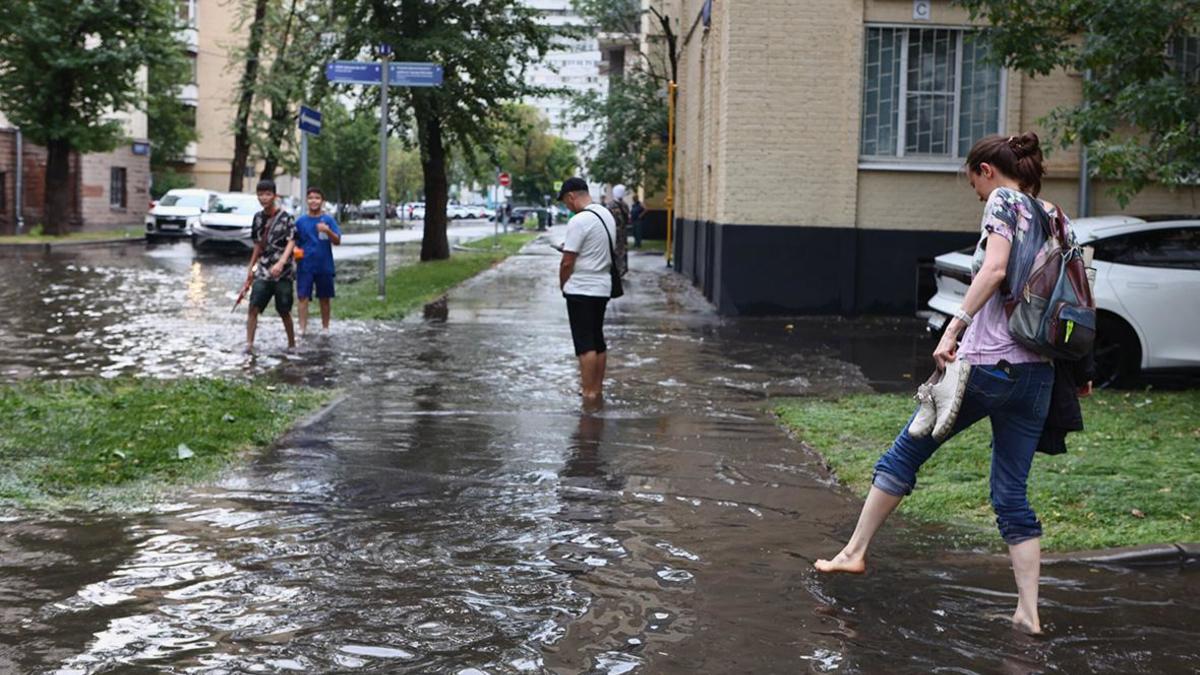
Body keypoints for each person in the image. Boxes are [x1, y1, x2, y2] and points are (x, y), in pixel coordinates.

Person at [813, 133, 1091, 636]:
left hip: (986, 367)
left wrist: (954, 326)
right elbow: (1074, 291)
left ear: (986, 170)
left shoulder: (1005, 201)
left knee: (903, 454)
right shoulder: (1056, 214)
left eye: (975, 186)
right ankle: (1028, 611)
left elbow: (996, 268)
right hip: (1038, 375)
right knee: (1011, 495)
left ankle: (854, 552)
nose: (979, 197)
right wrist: (1081, 370)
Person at [557, 177, 619, 405]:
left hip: (581, 288)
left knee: (585, 345)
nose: (567, 207)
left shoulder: (579, 220)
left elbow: (567, 262)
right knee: (598, 340)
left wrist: (563, 284)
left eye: (566, 202)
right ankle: (598, 389)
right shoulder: (606, 215)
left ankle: (588, 392)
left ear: (572, 196)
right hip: (602, 287)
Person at [242, 179, 297, 352]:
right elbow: (258, 245)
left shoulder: (286, 218)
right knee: (253, 306)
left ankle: (291, 344)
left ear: (274, 196)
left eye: (267, 194)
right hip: (264, 269)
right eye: (260, 194)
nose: (263, 198)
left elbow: (291, 241)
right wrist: (251, 269)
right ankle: (249, 344)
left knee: (284, 309)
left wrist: (281, 262)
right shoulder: (258, 218)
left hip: (284, 272)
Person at [294, 186, 342, 334]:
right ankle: (302, 328)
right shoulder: (300, 221)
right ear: (306, 201)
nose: (313, 201)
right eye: (310, 198)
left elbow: (337, 241)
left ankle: (325, 327)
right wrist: (295, 251)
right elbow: (293, 242)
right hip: (305, 265)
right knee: (303, 297)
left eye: (317, 198)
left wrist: (327, 230)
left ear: (322, 201)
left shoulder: (328, 220)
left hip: (324, 265)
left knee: (325, 298)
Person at [609, 184, 630, 275]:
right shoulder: (610, 206)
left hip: (622, 232)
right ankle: (616, 270)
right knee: (615, 251)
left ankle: (622, 269)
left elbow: (627, 218)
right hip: (614, 232)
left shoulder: (625, 205)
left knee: (623, 250)